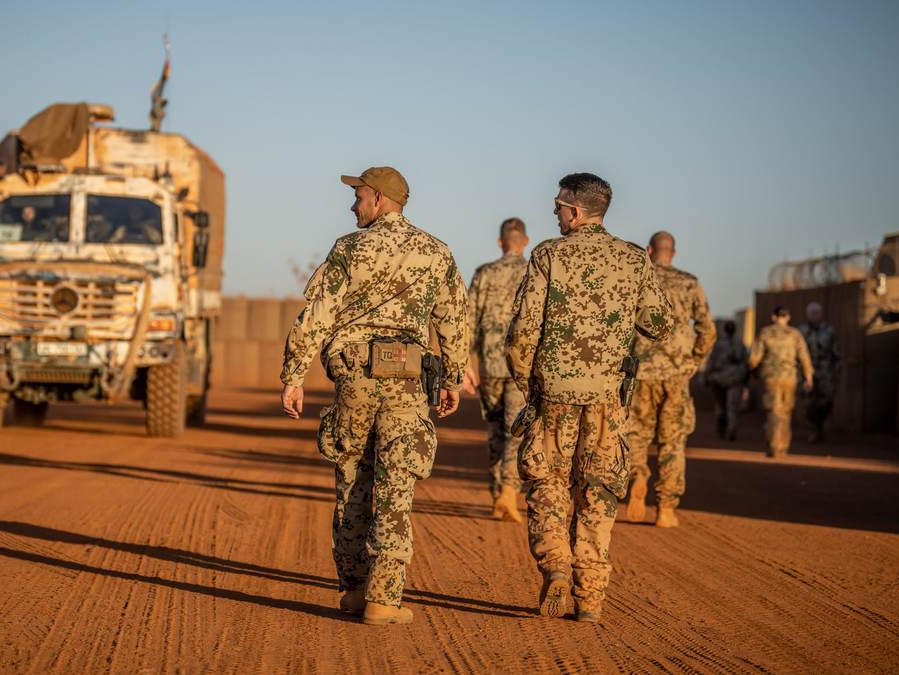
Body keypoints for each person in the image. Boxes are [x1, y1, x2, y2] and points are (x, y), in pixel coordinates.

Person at [280, 166, 469, 626]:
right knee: (396, 486)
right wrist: (453, 378)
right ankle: (385, 600)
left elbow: (318, 315)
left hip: (354, 378)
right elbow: (454, 320)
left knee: (353, 481)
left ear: (380, 200)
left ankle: (354, 591)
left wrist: (294, 374)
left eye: (359, 197)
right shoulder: (436, 251)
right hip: (407, 380)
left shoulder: (348, 249)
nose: (353, 205)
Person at [505, 173, 673, 624]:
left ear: (575, 212)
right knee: (598, 494)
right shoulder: (635, 259)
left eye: (558, 205)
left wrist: (527, 382)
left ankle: (556, 566)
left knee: (547, 487)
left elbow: (521, 334)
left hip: (553, 398)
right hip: (607, 403)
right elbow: (660, 323)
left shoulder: (547, 255)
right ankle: (591, 597)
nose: (554, 213)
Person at [624, 231, 716, 528]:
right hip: (676, 373)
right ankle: (666, 509)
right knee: (673, 442)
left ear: (650, 251)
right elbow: (707, 328)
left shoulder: (636, 279)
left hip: (641, 372)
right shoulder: (689, 282)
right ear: (673, 253)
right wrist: (696, 359)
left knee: (636, 436)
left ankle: (637, 475)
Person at [465, 217, 530, 522]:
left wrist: (464, 362)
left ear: (501, 242)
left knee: (495, 433)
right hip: (523, 368)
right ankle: (508, 491)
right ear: (525, 242)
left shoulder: (485, 274)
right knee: (516, 432)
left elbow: (467, 321)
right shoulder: (536, 272)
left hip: (489, 367)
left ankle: (496, 495)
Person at [749, 306, 814, 457]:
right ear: (788, 318)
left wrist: (753, 371)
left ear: (773, 317)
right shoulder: (795, 334)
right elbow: (804, 356)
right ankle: (784, 446)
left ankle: (774, 444)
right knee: (786, 411)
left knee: (774, 411)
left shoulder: (765, 332)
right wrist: (809, 376)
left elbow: (754, 359)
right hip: (790, 378)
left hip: (771, 378)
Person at [799, 302, 841, 442]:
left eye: (817, 313)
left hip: (826, 374)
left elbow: (837, 355)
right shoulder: (801, 332)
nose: (815, 316)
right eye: (812, 314)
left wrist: (835, 374)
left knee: (826, 403)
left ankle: (819, 425)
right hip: (807, 374)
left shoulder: (829, 331)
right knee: (809, 404)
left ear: (821, 314)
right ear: (807, 315)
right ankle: (813, 430)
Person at [704, 321, 749, 441]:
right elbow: (747, 363)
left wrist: (706, 377)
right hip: (735, 380)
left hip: (718, 379)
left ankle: (721, 430)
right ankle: (731, 429)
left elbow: (711, 362)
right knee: (733, 407)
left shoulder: (719, 344)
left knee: (720, 406)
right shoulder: (740, 344)